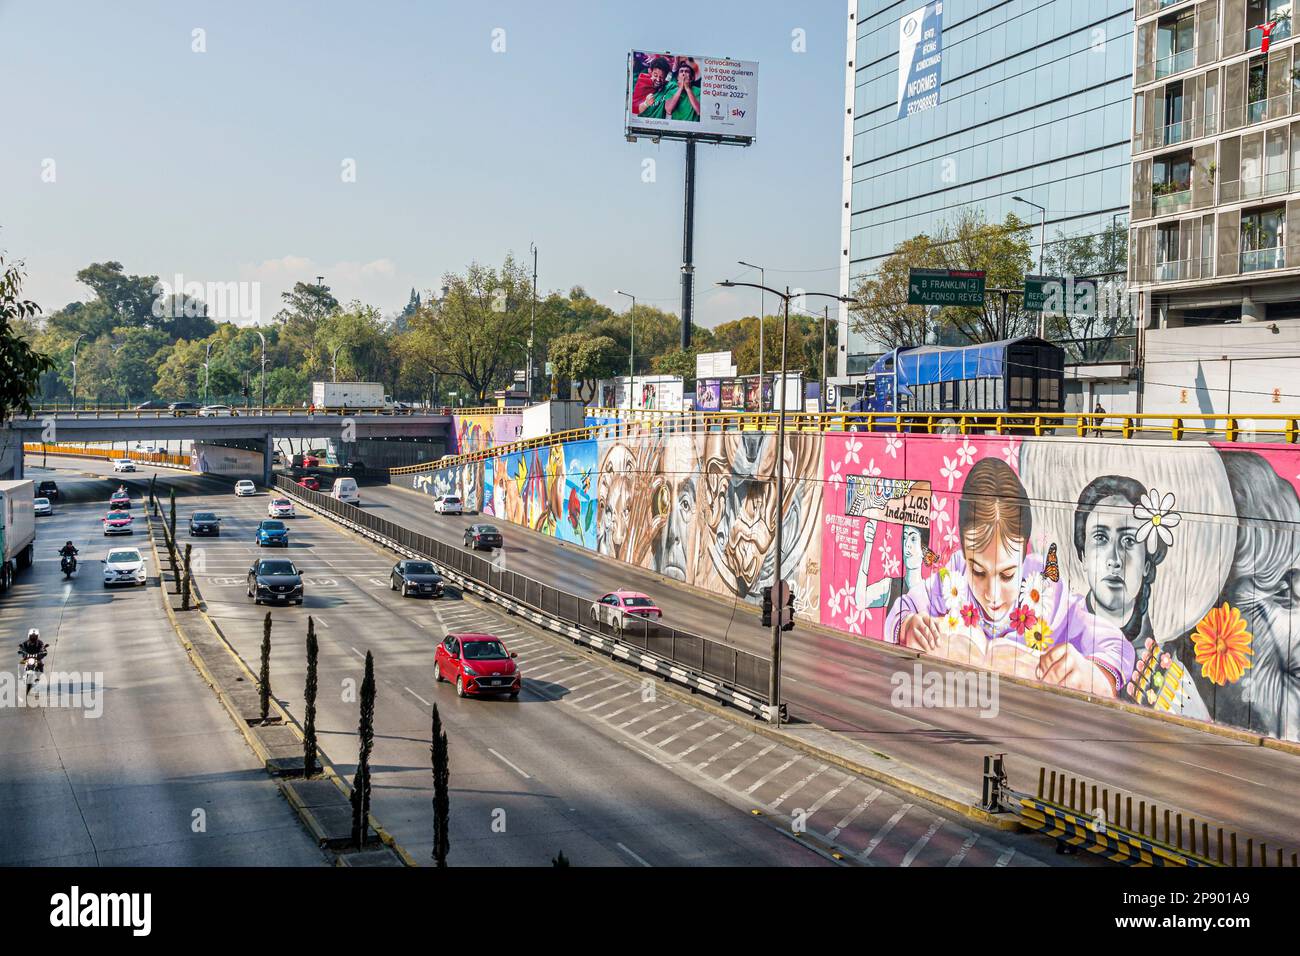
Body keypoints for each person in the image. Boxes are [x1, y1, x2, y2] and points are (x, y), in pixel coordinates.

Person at [885, 457, 1134, 696]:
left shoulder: (1048, 592)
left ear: (1024, 552)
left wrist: (1095, 674)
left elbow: (1116, 645)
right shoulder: (953, 578)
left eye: (1007, 575)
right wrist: (907, 626)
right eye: (978, 572)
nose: (992, 594)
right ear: (963, 550)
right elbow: (902, 608)